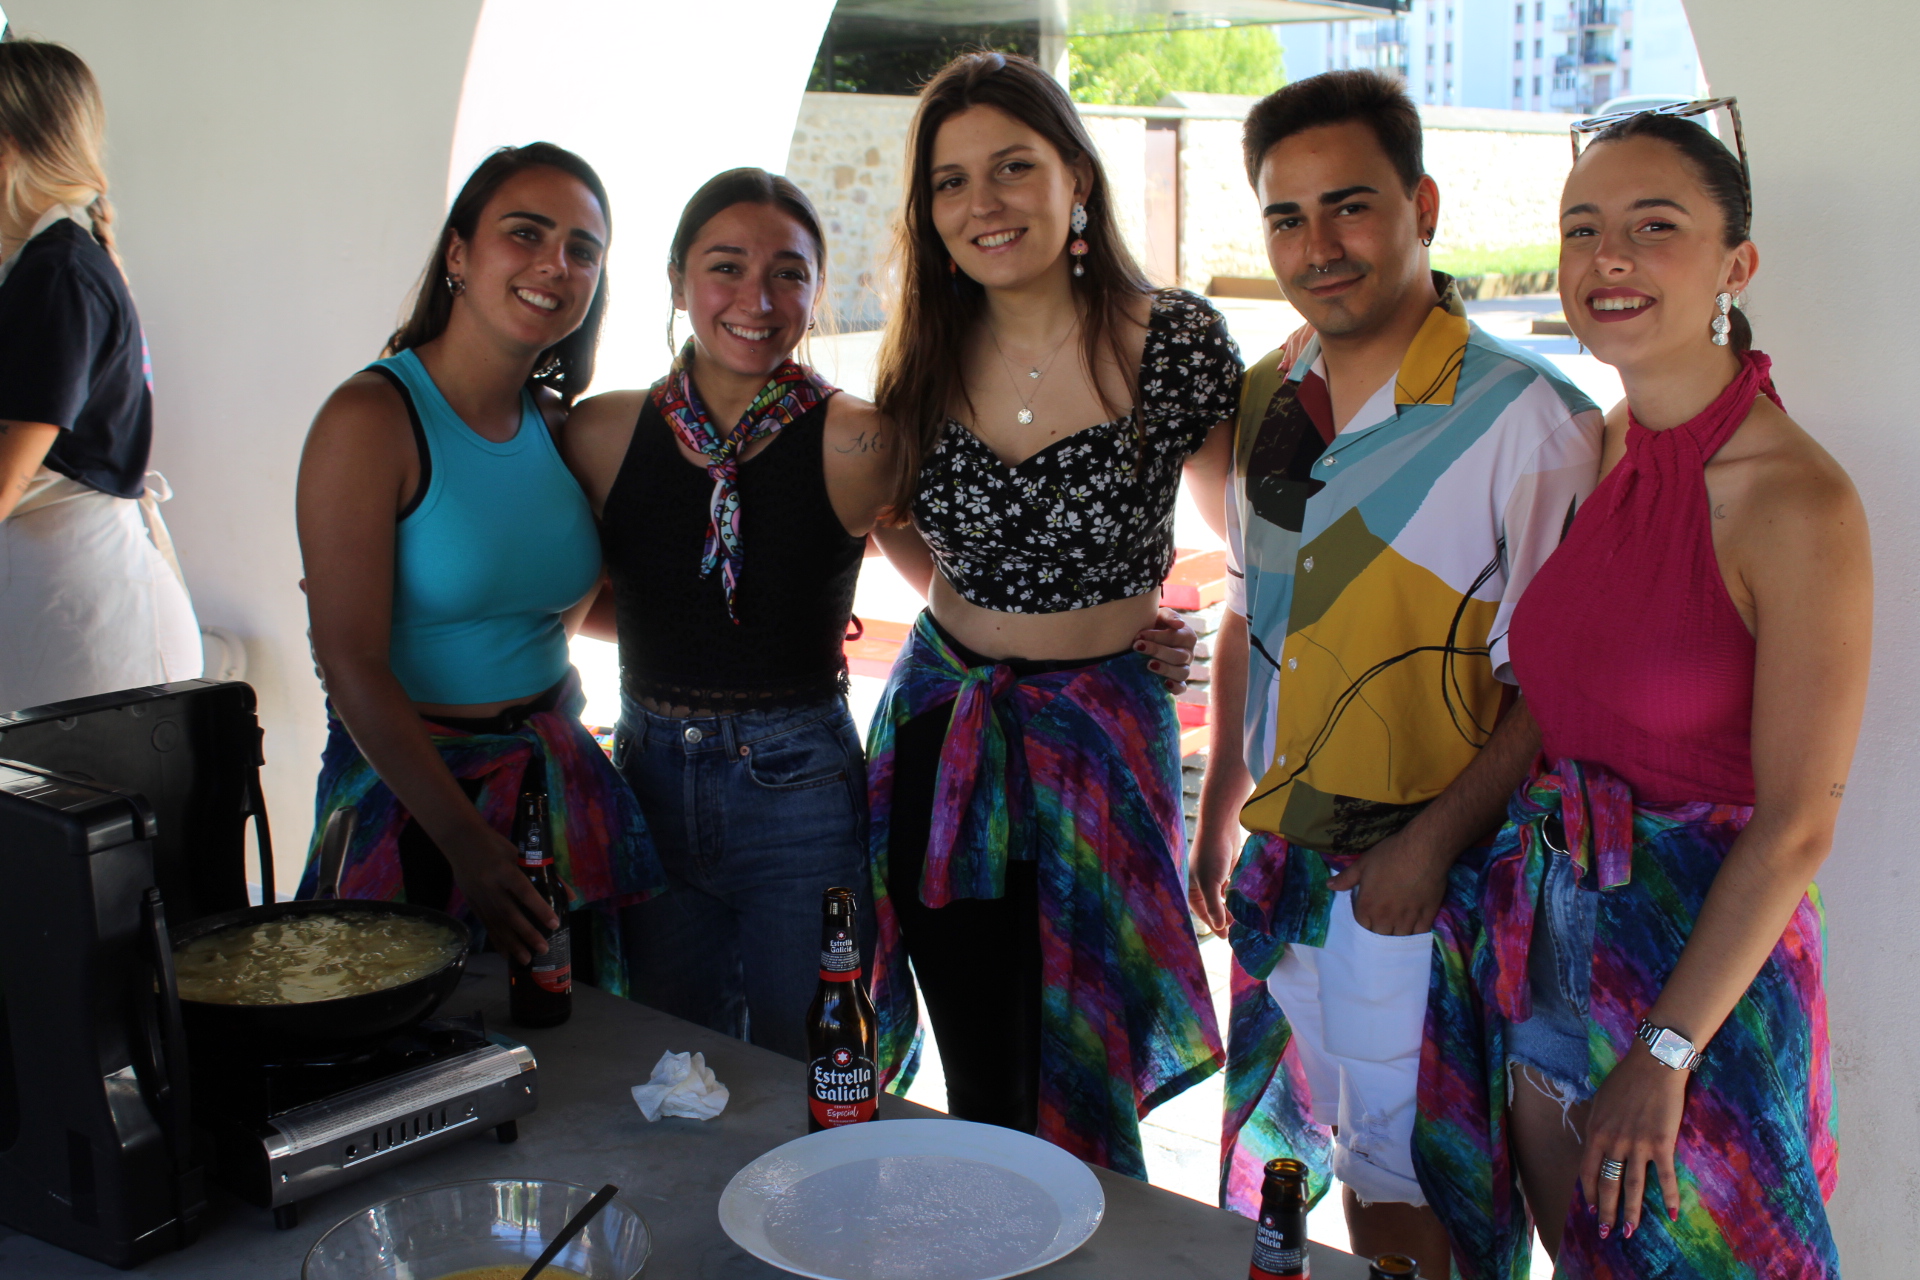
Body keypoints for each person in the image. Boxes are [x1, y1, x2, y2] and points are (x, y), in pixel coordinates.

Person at [560, 167, 1195, 1061]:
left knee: (816, 1062)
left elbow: (976, 577)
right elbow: (563, 598)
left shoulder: (860, 440)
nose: (756, 298)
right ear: (675, 280)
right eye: (726, 266)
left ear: (818, 292)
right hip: (648, 774)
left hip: (799, 788)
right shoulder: (601, 433)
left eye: (788, 273)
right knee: (675, 1063)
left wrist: (1125, 634)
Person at [1426, 106, 1866, 1279]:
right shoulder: (1610, 439)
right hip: (1552, 926)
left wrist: (1666, 1048)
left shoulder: (1796, 501)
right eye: (1582, 228)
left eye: (1653, 226)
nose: (1607, 257)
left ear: (1736, 264)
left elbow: (1799, 823)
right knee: (1580, 1259)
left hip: (1703, 980)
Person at [1187, 71, 1603, 1276]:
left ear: (1421, 205)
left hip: (1432, 886)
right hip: (1291, 869)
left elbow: (1555, 693)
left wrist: (1428, 845)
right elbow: (1247, 608)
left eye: (1350, 206)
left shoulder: (1531, 419)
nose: (1317, 246)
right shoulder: (1269, 396)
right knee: (1358, 1173)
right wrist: (1219, 809)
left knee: (1437, 1190)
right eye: (1286, 217)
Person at [864, 51, 1235, 1178]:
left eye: (1013, 166)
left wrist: (1171, 628)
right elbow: (891, 518)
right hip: (945, 736)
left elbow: (1260, 547)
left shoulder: (1173, 342)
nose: (984, 202)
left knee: (1088, 1061)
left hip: (1100, 751)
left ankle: (1088, 1249)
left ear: (1076, 174)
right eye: (951, 181)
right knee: (983, 1073)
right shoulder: (924, 347)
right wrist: (988, 613)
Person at [296, 143, 660, 986]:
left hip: (551, 787)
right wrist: (467, 843)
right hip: (411, 799)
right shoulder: (371, 417)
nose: (555, 263)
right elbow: (349, 661)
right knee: (417, 1042)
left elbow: (569, 604)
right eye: (525, 233)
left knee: (572, 1042)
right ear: (458, 254)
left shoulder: (558, 424)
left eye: (582, 249)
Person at [0, 40, 201, 712]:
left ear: (5, 146)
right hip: (60, 613)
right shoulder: (49, 266)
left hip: (86, 629)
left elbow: (6, 478)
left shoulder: (58, 272)